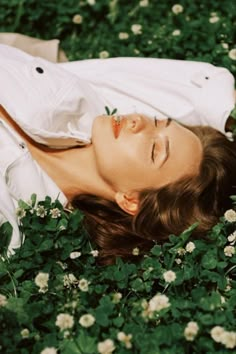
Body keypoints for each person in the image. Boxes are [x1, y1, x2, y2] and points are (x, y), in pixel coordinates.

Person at [0, 44, 235, 264]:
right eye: (155, 120)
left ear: (131, 200)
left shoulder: (16, 219)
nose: (137, 121)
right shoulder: (89, 103)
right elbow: (202, 88)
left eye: (154, 150)